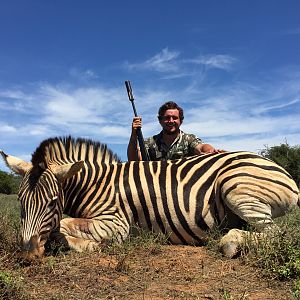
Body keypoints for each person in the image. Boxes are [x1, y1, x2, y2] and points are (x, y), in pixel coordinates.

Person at [127, 101, 223, 161]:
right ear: (160, 120)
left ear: (181, 121)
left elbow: (201, 147)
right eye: (167, 118)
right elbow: (133, 160)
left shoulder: (189, 139)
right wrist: (134, 134)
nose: (171, 121)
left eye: (175, 118)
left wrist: (210, 151)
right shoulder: (150, 142)